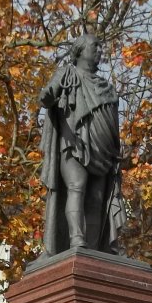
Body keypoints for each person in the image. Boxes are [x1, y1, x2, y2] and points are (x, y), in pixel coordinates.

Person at [39, 33, 127, 255]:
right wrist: (50, 94)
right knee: (76, 187)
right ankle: (76, 240)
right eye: (94, 46)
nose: (99, 50)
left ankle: (94, 247)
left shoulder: (106, 86)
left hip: (103, 149)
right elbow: (47, 97)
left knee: (97, 200)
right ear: (79, 50)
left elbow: (112, 121)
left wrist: (116, 149)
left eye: (100, 47)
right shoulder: (68, 73)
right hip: (74, 141)